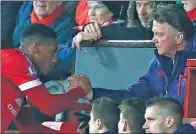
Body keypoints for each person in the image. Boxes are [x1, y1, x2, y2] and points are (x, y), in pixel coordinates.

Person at [68, 4, 196, 105]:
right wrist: (92, 93)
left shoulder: (193, 67)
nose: (153, 40)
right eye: (154, 33)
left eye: (160, 35)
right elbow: (133, 96)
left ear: (178, 38)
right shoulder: (157, 63)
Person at [1, 23, 90, 133]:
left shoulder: (17, 80)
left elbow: (30, 129)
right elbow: (49, 106)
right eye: (52, 52)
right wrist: (80, 91)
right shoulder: (14, 60)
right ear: (36, 48)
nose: (54, 60)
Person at [13, 1, 76, 81]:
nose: (40, 1)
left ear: (60, 2)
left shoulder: (67, 28)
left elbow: (53, 64)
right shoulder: (26, 9)